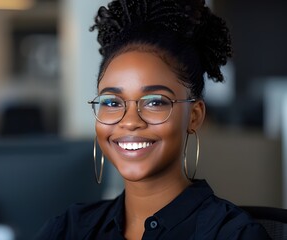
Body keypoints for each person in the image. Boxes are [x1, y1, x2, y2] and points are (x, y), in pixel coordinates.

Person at [36, 0, 271, 239]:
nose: (130, 121)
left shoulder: (233, 234)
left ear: (195, 116)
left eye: (154, 102)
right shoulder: (69, 229)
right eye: (112, 102)